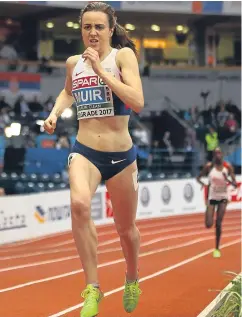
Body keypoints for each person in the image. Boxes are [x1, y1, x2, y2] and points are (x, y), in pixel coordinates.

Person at [44, 2, 144, 317]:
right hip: (85, 149)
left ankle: (132, 276)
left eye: (99, 26)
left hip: (121, 157)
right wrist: (54, 112)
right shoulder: (74, 62)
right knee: (79, 205)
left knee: (125, 229)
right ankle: (93, 287)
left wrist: (101, 71)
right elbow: (68, 92)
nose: (92, 32)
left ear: (110, 30)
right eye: (87, 26)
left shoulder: (122, 57)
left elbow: (138, 101)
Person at [196, 147, 237, 258]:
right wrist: (204, 185)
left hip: (223, 197)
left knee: (218, 223)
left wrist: (227, 179)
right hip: (212, 197)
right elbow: (198, 177)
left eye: (219, 152)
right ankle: (208, 213)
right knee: (209, 224)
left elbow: (234, 184)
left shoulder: (227, 167)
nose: (218, 154)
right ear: (214, 155)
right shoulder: (209, 167)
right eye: (216, 153)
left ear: (222, 154)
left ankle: (217, 248)